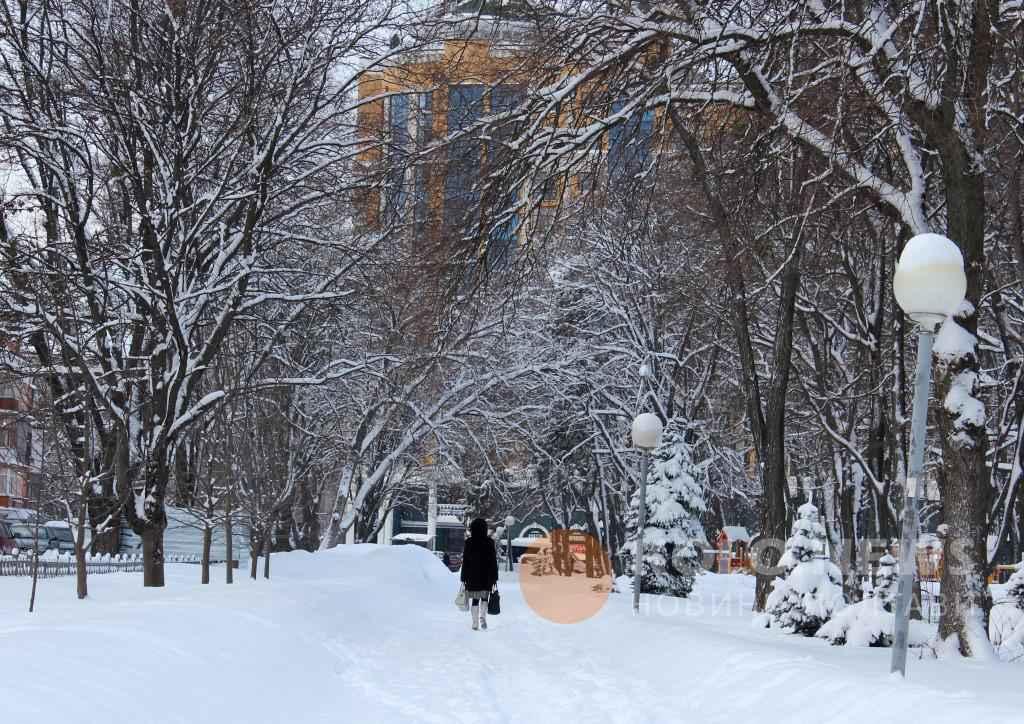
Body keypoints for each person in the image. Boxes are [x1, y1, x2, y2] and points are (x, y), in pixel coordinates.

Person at [460, 518, 498, 631]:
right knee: (485, 598)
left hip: (473, 576)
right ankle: (483, 617)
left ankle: (475, 622)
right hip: (487, 576)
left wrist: (463, 577)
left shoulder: (469, 542)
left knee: (475, 599)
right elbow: (493, 561)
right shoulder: (490, 542)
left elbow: (465, 561)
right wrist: (494, 577)